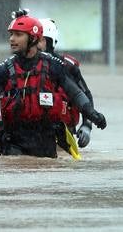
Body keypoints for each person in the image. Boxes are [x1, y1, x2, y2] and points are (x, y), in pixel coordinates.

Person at [0, 14, 107, 158]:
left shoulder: (54, 67)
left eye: (18, 35)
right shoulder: (5, 70)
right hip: (13, 142)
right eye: (11, 34)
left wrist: (92, 115)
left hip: (45, 142)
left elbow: (76, 94)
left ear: (33, 38)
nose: (12, 39)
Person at [38, 15, 96, 152]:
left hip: (62, 133)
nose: (34, 44)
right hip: (29, 134)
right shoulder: (19, 66)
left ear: (50, 42)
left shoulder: (67, 67)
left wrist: (87, 126)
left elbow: (85, 95)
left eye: (39, 40)